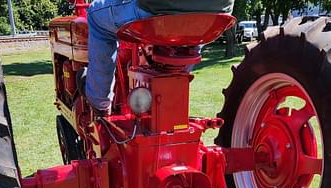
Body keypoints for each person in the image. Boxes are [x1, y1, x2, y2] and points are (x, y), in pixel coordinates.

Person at [86, 0, 235, 115]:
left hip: (160, 7)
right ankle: (170, 97)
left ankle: (100, 106)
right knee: (195, 31)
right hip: (219, 12)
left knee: (94, 15)